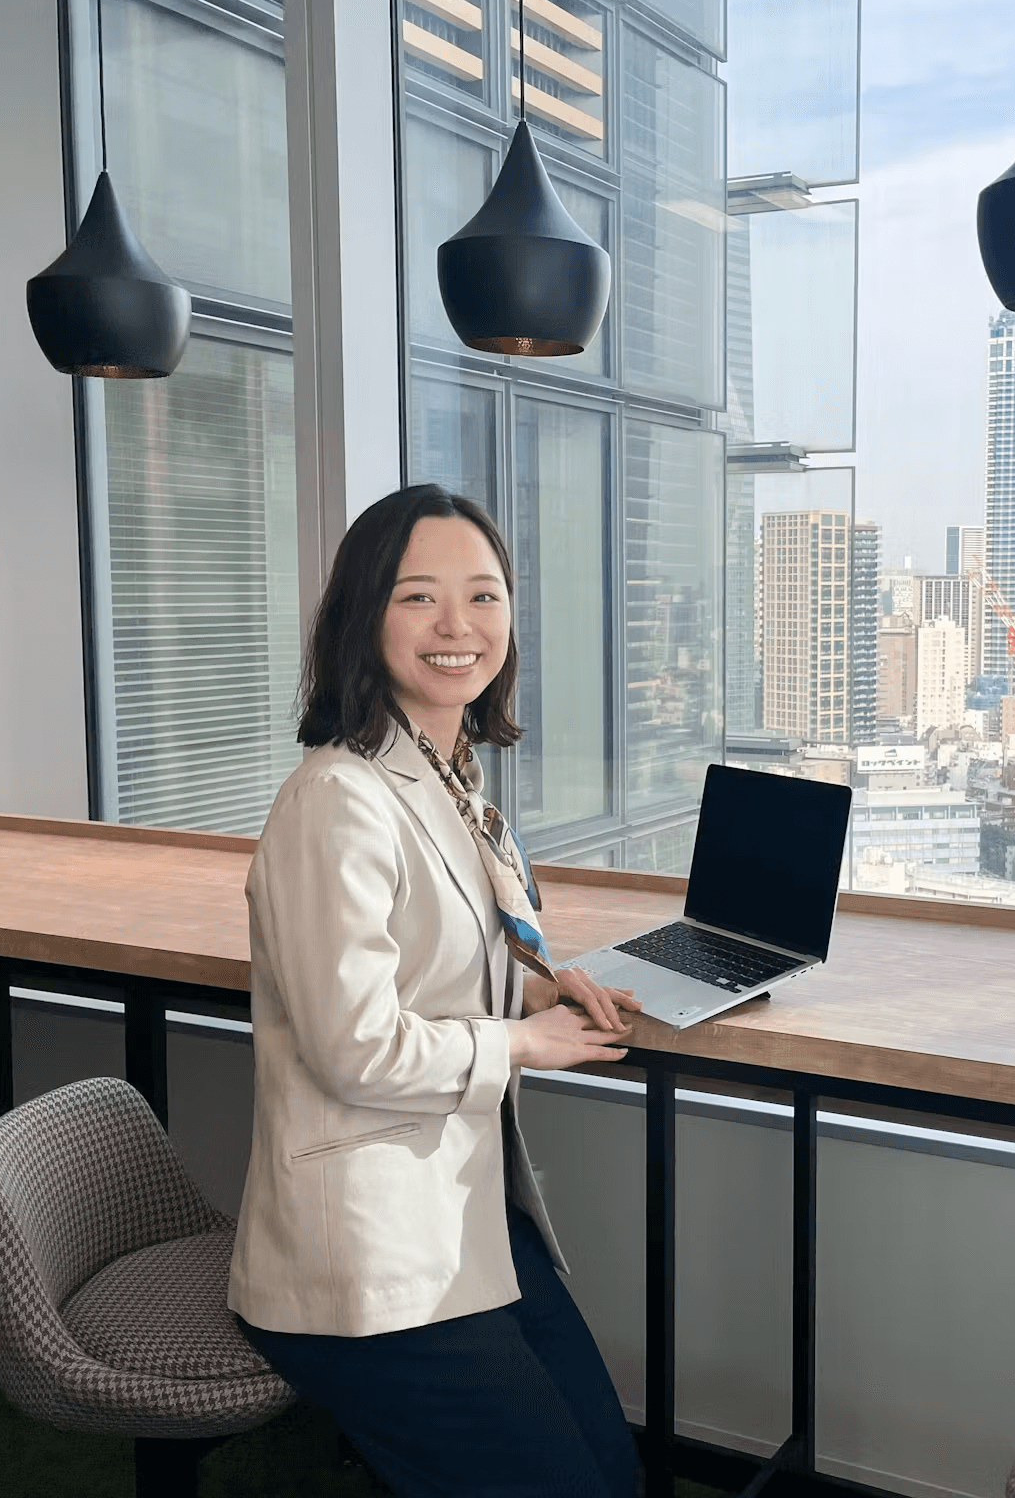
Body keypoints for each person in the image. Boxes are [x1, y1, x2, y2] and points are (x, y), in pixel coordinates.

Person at [229, 483, 641, 1498]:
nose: (458, 626)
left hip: (464, 1218)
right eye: (418, 597)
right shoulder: (337, 796)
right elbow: (354, 1047)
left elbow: (445, 950)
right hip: (367, 1263)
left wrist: (537, 988)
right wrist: (519, 1046)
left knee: (612, 1474)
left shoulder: (451, 774)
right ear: (363, 617)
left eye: (484, 595)